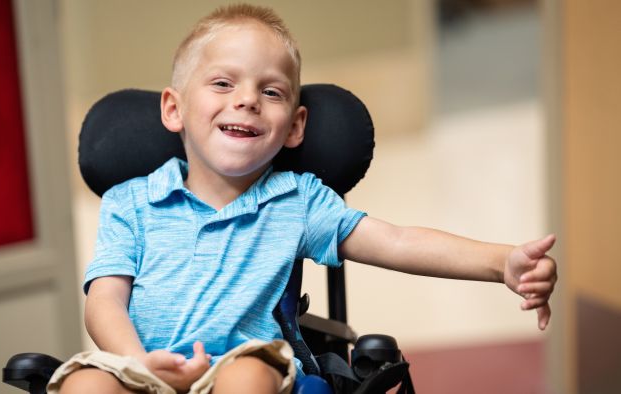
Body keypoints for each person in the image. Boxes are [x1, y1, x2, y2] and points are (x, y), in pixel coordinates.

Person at [50, 4, 557, 394]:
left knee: (246, 378)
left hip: (242, 362)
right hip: (143, 364)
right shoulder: (131, 202)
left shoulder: (297, 201)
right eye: (223, 83)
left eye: (270, 92)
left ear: (294, 127)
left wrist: (500, 263)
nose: (246, 99)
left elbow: (398, 241)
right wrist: (135, 360)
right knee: (83, 383)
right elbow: (106, 299)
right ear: (174, 108)